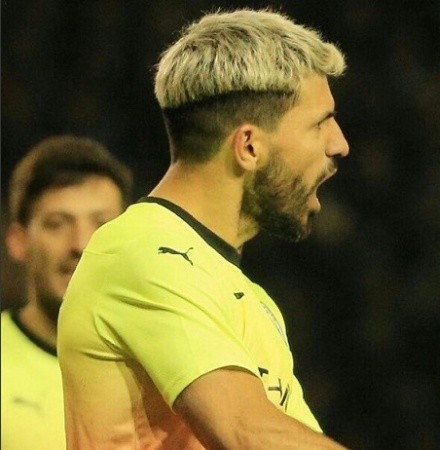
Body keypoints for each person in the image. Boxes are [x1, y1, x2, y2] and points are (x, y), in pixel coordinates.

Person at [57, 8, 351, 449]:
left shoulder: (253, 302)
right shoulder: (142, 251)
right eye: (320, 122)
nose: (339, 143)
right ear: (249, 146)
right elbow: (246, 432)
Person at [1, 135, 133, 450]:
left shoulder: (166, 366)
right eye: (58, 224)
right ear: (19, 242)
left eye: (102, 224)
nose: (81, 244)